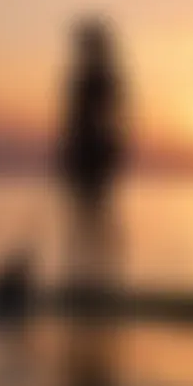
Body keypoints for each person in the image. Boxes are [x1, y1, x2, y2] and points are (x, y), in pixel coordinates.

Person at [57, 17, 126, 288]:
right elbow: (75, 121)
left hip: (94, 156)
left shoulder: (98, 78)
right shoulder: (91, 78)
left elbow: (107, 119)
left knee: (93, 218)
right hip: (88, 156)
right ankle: (85, 278)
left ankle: (97, 279)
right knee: (86, 219)